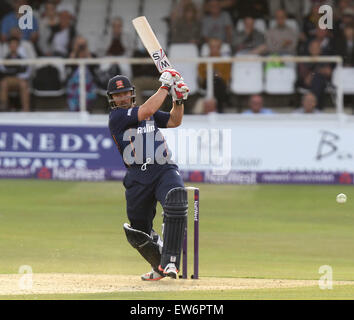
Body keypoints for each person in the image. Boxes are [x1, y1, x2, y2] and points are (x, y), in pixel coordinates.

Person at [107, 69, 190, 280]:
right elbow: (144, 112)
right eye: (118, 95)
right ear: (112, 99)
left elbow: (174, 121)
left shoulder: (147, 111)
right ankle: (159, 265)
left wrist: (178, 100)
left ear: (131, 93)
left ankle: (171, 262)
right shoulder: (117, 117)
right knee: (139, 231)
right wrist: (165, 87)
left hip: (163, 168)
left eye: (125, 93)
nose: (122, 97)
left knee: (176, 198)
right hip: (137, 177)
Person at [198, 38, 231, 113]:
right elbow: (200, 74)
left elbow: (227, 76)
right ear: (209, 48)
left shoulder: (224, 61)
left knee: (218, 82)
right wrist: (209, 74)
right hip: (207, 82)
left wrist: (219, 75)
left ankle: (213, 108)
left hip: (220, 83)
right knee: (215, 81)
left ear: (219, 48)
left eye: (216, 47)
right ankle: (219, 108)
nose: (214, 49)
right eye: (212, 47)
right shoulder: (204, 60)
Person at [0, 37, 31, 111]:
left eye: (15, 45)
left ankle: (26, 109)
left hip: (19, 80)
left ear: (18, 46)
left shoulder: (22, 59)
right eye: (11, 45)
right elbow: (3, 71)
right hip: (8, 80)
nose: (13, 47)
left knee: (24, 84)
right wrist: (15, 71)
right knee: (3, 83)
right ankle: (3, 109)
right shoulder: (5, 59)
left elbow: (26, 72)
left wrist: (14, 73)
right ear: (9, 47)